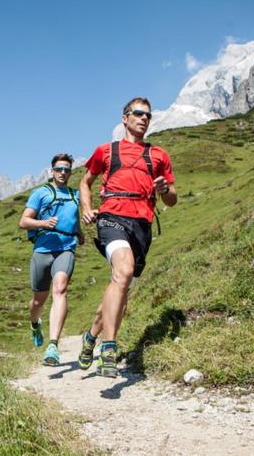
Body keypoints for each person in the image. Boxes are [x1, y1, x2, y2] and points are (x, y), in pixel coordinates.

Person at [78, 97, 177, 377]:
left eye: (148, 115)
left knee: (121, 288)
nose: (144, 118)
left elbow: (172, 199)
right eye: (138, 113)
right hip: (112, 218)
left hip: (142, 225)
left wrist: (164, 190)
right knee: (123, 271)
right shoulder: (105, 151)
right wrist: (86, 208)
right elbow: (85, 183)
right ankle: (108, 348)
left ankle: (91, 336)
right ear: (125, 118)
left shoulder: (159, 155)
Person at [19, 153, 83, 366]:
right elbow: (24, 221)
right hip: (43, 250)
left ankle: (53, 345)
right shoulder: (40, 193)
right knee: (38, 300)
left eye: (66, 169)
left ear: (70, 172)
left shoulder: (75, 195)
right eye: (59, 169)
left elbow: (73, 217)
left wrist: (79, 233)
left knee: (60, 289)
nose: (63, 173)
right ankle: (34, 323)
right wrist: (43, 223)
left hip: (66, 249)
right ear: (52, 171)